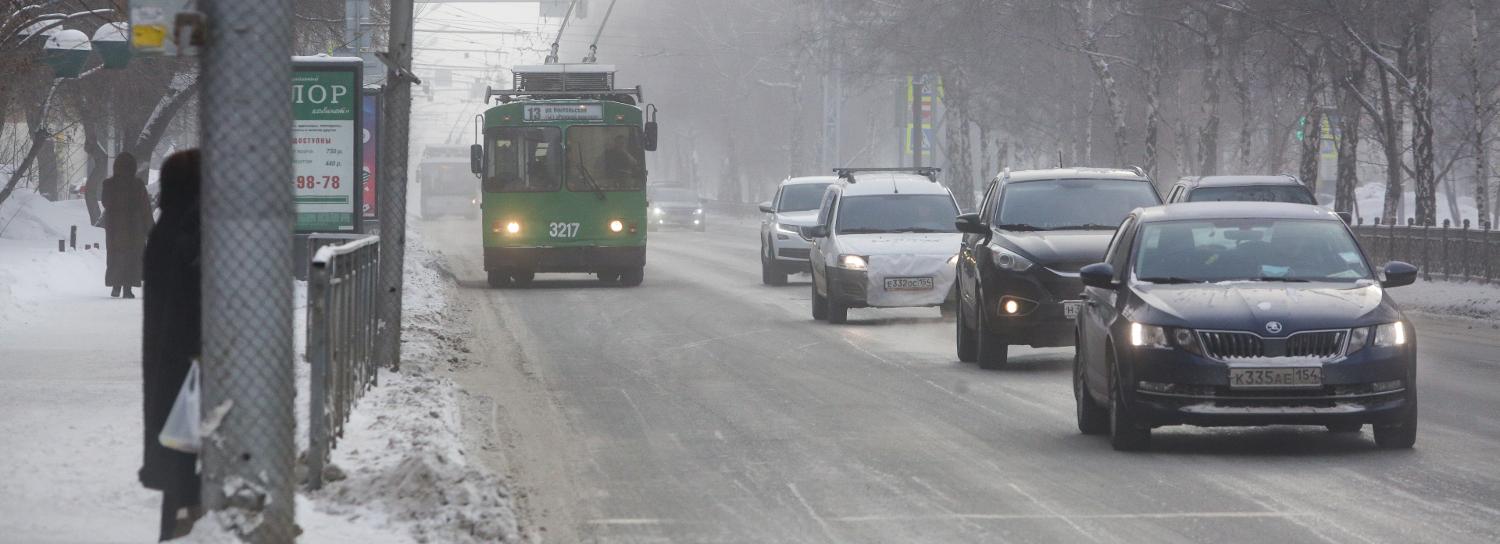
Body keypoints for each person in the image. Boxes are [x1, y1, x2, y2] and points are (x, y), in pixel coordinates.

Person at [139, 150, 202, 541]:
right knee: (192, 455)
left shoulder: (168, 226)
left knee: (178, 450)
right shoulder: (189, 232)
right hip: (194, 360)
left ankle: (173, 529)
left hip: (170, 361)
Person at [100, 153, 153, 298]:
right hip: (135, 228)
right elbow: (145, 207)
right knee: (133, 256)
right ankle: (128, 289)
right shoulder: (137, 184)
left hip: (115, 228)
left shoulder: (108, 184)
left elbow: (105, 202)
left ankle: (116, 286)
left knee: (116, 255)